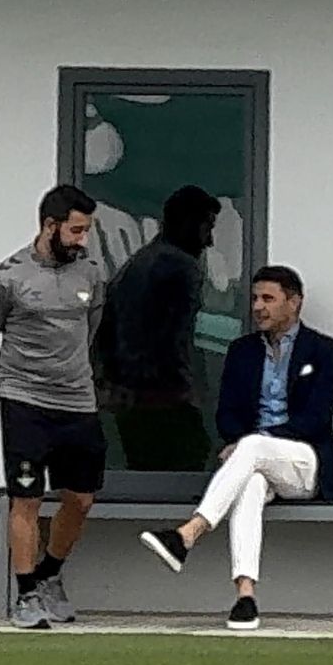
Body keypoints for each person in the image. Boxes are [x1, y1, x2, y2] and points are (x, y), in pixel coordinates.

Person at [137, 265, 333, 630]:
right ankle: (245, 597)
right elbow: (227, 414)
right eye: (254, 298)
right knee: (249, 483)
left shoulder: (326, 351)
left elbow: (316, 419)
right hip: (254, 462)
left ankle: (189, 534)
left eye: (268, 298)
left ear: (294, 302)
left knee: (251, 446)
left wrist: (252, 442)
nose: (258, 307)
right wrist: (242, 442)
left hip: (304, 461)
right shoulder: (242, 351)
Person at [0, 184, 107, 629]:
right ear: (49, 226)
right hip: (25, 403)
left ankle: (50, 574)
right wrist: (10, 388)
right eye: (75, 230)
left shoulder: (89, 272)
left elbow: (90, 330)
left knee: (81, 499)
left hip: (78, 402)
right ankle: (26, 593)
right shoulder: (7, 278)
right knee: (26, 498)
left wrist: (71, 373)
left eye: (86, 230)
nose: (81, 239)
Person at [96, 185, 222, 471]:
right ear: (191, 224)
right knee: (191, 473)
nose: (210, 240)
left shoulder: (137, 264)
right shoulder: (181, 266)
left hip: (130, 398)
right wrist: (192, 391)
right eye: (207, 227)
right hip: (166, 397)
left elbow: (107, 328)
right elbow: (179, 338)